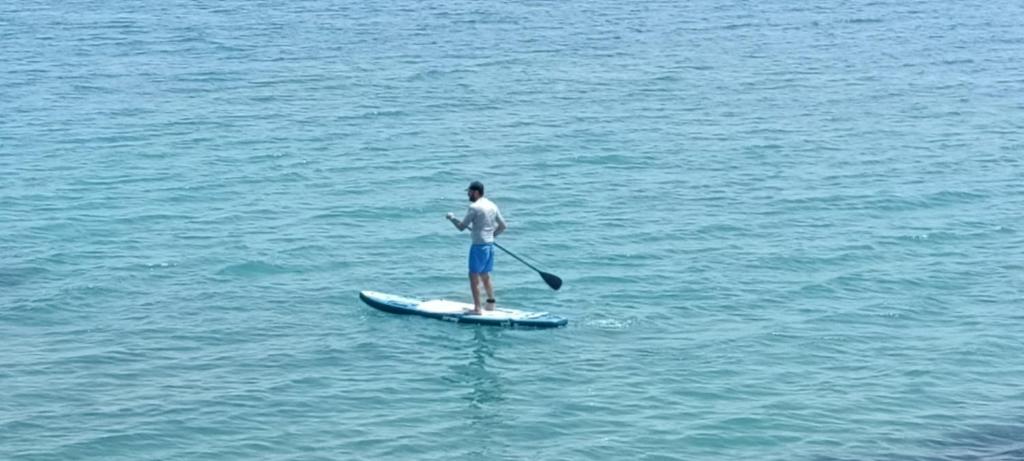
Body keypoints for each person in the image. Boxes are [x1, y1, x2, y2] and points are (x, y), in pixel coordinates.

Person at [446, 181, 506, 315]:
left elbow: (461, 227)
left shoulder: (474, 207)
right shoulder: (492, 205)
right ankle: (491, 304)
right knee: (485, 275)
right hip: (489, 246)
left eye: (469, 192)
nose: (468, 194)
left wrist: (452, 218)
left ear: (476, 192)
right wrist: (492, 236)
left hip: (478, 247)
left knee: (473, 277)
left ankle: (477, 308)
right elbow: (503, 226)